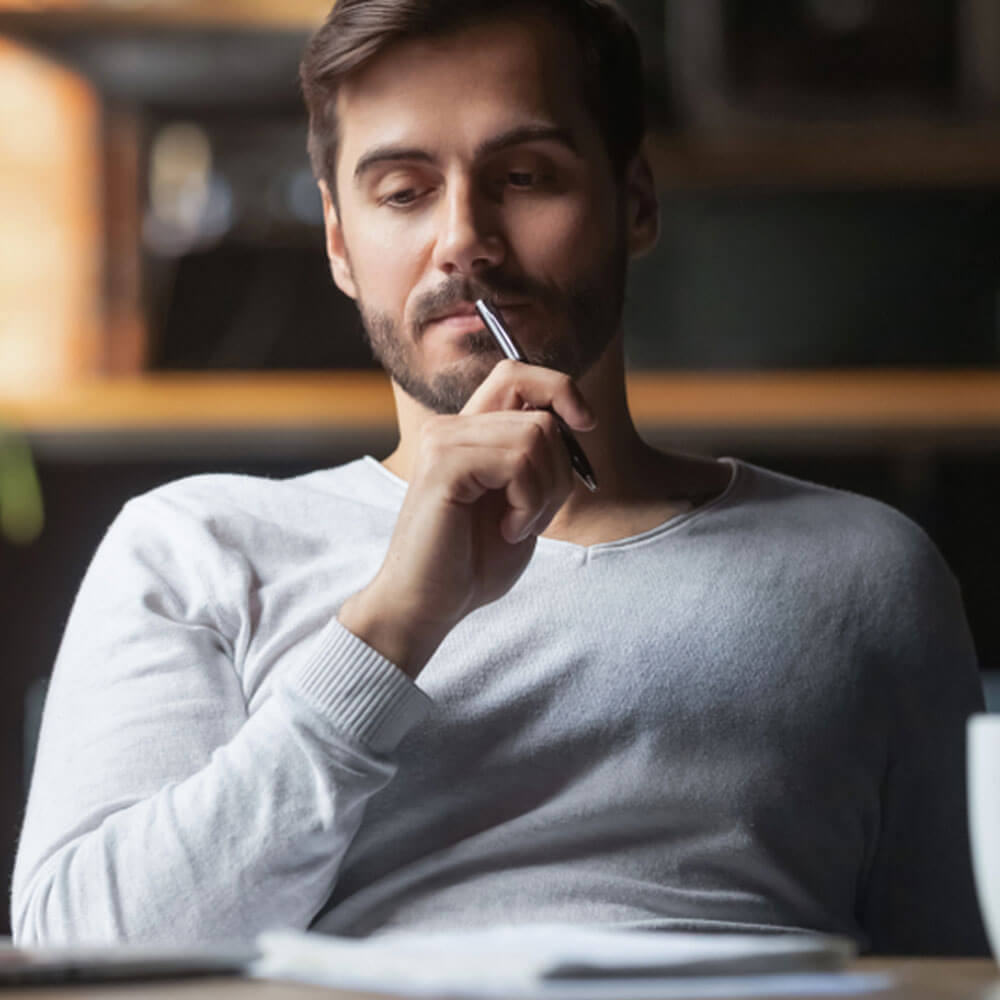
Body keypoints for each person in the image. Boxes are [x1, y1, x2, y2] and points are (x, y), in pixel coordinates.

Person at [12, 0, 987, 955]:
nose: (463, 239)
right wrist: (392, 624)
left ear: (634, 201)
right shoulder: (196, 546)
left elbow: (953, 970)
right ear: (341, 242)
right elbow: (87, 953)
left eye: (523, 176)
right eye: (402, 191)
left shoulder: (866, 571)